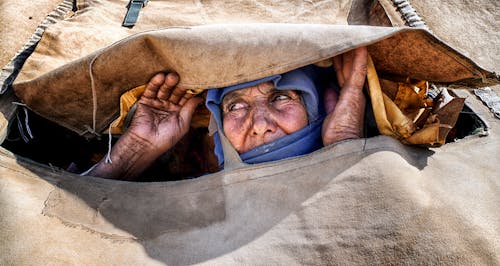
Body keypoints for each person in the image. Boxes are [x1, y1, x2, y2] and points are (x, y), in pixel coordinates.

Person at [87, 47, 367, 180]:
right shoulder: (184, 209)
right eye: (235, 106)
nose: (259, 125)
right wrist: (137, 150)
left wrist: (345, 146)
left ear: (321, 108)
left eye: (280, 97)